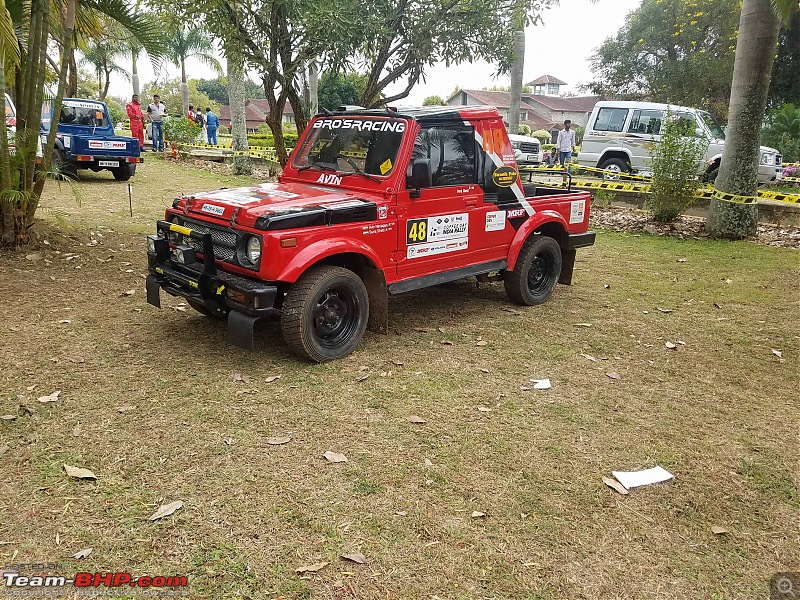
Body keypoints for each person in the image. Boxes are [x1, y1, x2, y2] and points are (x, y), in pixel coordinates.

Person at [556, 119, 576, 184]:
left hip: (568, 150)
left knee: (568, 161)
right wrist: (558, 150)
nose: (569, 125)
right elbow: (559, 141)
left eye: (569, 123)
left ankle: (568, 173)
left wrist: (573, 148)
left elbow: (573, 141)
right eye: (567, 124)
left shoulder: (572, 132)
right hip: (562, 149)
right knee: (562, 162)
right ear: (565, 125)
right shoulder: (561, 132)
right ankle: (562, 173)